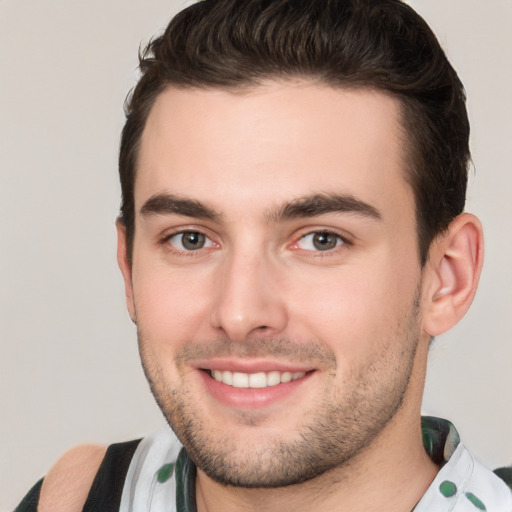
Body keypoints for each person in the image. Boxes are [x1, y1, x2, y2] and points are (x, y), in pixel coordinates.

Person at [15, 0, 512, 510]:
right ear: (129, 269)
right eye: (191, 238)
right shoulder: (75, 499)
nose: (239, 313)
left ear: (447, 277)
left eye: (322, 240)